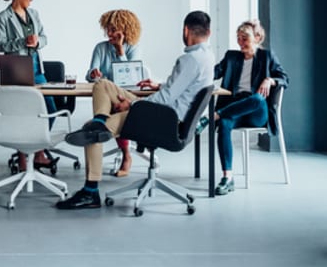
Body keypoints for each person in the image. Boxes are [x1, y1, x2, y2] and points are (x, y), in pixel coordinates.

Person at [56, 11, 214, 210]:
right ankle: (101, 119)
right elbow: (180, 89)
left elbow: (165, 100)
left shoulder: (188, 60)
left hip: (163, 119)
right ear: (208, 32)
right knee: (103, 85)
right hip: (169, 115)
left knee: (91, 133)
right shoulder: (207, 56)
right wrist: (160, 85)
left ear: (186, 30)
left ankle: (90, 192)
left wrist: (132, 105)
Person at [209, 19, 289, 196]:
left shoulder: (266, 57)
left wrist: (270, 79)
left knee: (258, 99)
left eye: (244, 38)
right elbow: (213, 73)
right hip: (235, 108)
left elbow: (285, 78)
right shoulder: (231, 57)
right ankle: (227, 177)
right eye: (238, 38)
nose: (240, 42)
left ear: (257, 38)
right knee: (224, 124)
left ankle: (215, 115)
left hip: (256, 112)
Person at [0, 0, 57, 171]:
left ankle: (37, 152)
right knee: (22, 112)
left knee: (49, 109)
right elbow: (1, 44)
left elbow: (45, 37)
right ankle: (23, 156)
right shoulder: (3, 17)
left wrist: (37, 42)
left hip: (37, 67)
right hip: (16, 68)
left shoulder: (34, 14)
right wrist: (23, 42)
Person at [86, 9, 144, 177]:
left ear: (125, 30)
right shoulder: (100, 48)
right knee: (110, 103)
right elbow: (90, 73)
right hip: (106, 94)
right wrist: (93, 74)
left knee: (118, 106)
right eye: (108, 29)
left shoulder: (133, 49)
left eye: (113, 30)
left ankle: (125, 153)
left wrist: (120, 50)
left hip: (125, 93)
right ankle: (102, 127)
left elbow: (130, 77)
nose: (109, 34)